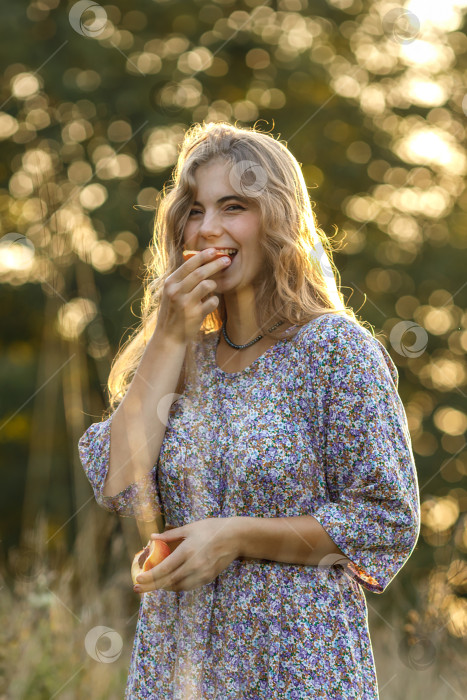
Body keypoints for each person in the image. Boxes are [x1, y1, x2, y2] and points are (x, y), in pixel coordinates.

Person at [78, 121, 421, 699]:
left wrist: (235, 536)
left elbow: (386, 519)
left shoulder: (335, 350)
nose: (207, 229)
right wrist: (167, 336)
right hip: (178, 670)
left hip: (298, 667)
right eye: (193, 209)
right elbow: (118, 484)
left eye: (233, 206)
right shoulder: (179, 360)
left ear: (279, 220)